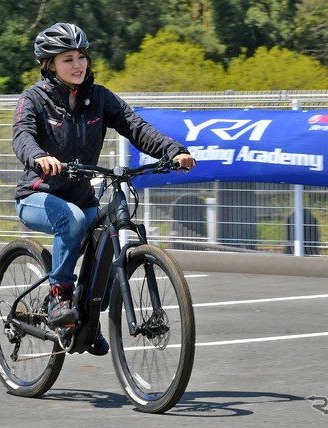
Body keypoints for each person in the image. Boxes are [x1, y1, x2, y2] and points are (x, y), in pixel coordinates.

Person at [12, 23, 196, 356]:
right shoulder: (34, 99)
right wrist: (39, 157)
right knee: (71, 220)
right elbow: (22, 137)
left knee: (109, 239)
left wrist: (173, 150)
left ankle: (88, 321)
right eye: (68, 59)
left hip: (82, 198)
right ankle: (58, 299)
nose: (78, 64)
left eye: (82, 57)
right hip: (37, 195)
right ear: (49, 64)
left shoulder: (99, 98)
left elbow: (135, 126)